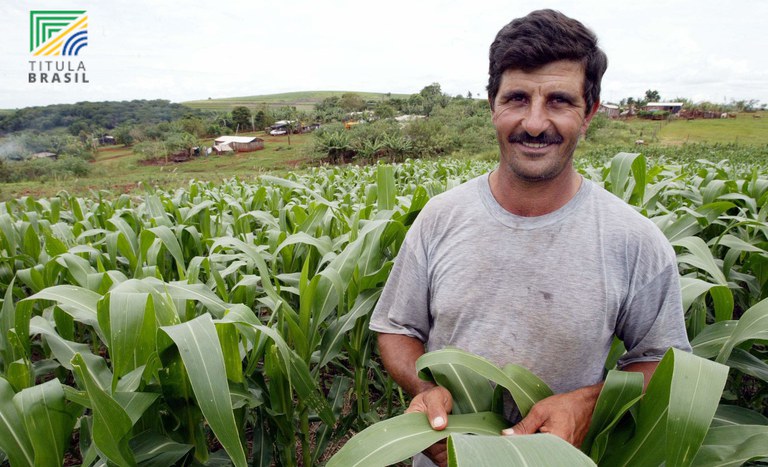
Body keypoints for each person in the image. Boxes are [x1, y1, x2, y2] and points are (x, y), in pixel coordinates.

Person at [369, 9, 691, 467]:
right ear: (492, 104)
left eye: (559, 101)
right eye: (517, 98)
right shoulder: (439, 218)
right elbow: (397, 328)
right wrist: (426, 390)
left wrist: (589, 404)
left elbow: (663, 362)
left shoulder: (635, 241)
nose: (535, 123)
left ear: (589, 113)